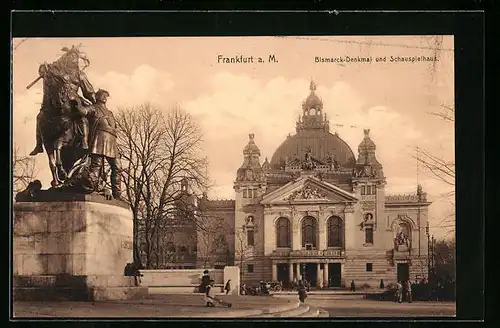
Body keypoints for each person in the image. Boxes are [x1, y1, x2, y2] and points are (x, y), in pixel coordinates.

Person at [30, 45, 96, 156]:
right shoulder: (55, 69)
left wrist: (94, 99)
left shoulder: (80, 74)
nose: (74, 60)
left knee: (82, 116)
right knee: (40, 117)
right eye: (71, 57)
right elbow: (43, 70)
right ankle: (39, 144)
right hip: (55, 100)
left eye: (76, 57)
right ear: (66, 57)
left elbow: (88, 91)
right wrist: (43, 68)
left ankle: (85, 141)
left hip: (73, 100)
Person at [78, 89, 121, 199]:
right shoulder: (93, 108)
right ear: (97, 97)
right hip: (99, 138)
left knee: (117, 167)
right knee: (96, 165)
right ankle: (91, 188)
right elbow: (83, 111)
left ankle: (117, 194)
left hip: (111, 139)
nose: (105, 97)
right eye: (103, 95)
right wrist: (77, 102)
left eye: (106, 96)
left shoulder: (110, 112)